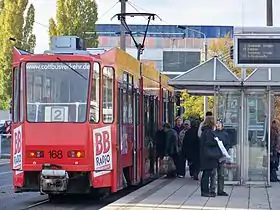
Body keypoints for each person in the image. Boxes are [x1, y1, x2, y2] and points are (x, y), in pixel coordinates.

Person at [200, 116, 223, 197]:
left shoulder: (204, 131)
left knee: (205, 173)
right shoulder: (209, 132)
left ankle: (204, 190)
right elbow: (209, 142)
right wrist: (217, 141)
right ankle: (205, 191)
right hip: (209, 156)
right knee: (207, 173)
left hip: (204, 155)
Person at [210, 119, 230, 196]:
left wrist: (225, 152)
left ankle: (220, 190)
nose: (218, 125)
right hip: (215, 156)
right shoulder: (213, 133)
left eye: (219, 123)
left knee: (221, 174)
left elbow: (228, 144)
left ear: (222, 125)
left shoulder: (225, 134)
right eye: (217, 123)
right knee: (213, 173)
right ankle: (212, 189)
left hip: (222, 156)